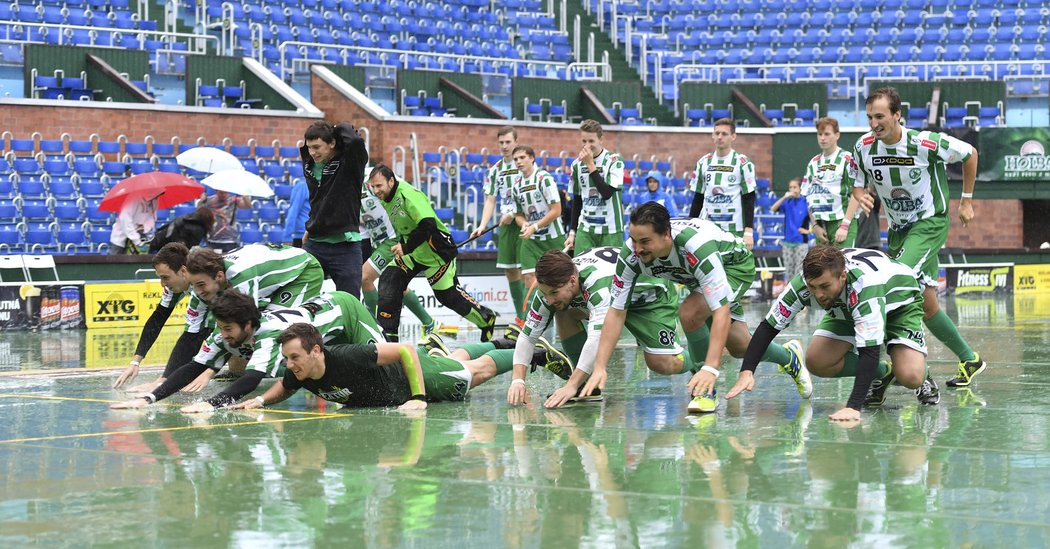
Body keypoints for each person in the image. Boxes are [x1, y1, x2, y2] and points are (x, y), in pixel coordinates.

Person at [582, 202, 811, 413]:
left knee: (690, 313)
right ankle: (789, 356)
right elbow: (616, 311)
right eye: (633, 240)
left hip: (734, 268)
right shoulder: (631, 254)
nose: (637, 249)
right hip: (697, 279)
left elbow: (721, 310)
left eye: (645, 242)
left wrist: (711, 369)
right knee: (740, 347)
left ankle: (706, 391)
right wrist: (600, 366)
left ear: (666, 235)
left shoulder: (696, 247)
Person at [850, 86, 986, 388]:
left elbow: (970, 153)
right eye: (870, 117)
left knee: (895, 284)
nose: (874, 123)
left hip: (928, 224)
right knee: (927, 305)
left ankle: (912, 374)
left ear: (898, 115)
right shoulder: (863, 146)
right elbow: (857, 182)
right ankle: (970, 358)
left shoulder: (924, 142)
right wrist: (861, 197)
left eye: (880, 116)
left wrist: (966, 200)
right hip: (898, 231)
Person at [727, 245, 939, 422]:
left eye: (824, 286)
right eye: (813, 287)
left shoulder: (864, 286)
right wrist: (747, 370)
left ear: (843, 276)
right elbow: (769, 326)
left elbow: (870, 350)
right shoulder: (805, 284)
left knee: (911, 376)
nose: (818, 295)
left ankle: (923, 371)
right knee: (817, 361)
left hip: (898, 305)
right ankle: (884, 374)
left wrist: (853, 407)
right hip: (845, 303)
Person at [109, 289, 384, 412]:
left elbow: (252, 379)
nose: (223, 334)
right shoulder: (227, 332)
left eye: (228, 328)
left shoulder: (268, 332)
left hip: (345, 310)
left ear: (249, 325)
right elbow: (193, 367)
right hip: (314, 328)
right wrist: (148, 398)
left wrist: (210, 404)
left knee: (382, 360)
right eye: (221, 327)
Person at [231, 322, 569, 411]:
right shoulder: (300, 372)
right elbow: (284, 387)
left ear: (316, 351)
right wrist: (259, 401)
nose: (290, 366)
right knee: (454, 361)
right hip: (413, 372)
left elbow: (405, 349)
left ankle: (534, 352)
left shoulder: (348, 355)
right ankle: (501, 341)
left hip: (413, 378)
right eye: (288, 359)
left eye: (295, 357)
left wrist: (419, 396)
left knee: (472, 373)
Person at [505, 248, 688, 409]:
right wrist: (518, 380)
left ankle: (697, 359)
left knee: (661, 363)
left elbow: (597, 338)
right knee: (562, 310)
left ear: (572, 280)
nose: (549, 299)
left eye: (554, 292)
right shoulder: (550, 289)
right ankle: (587, 386)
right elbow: (528, 336)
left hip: (648, 300)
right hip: (614, 300)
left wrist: (570, 385)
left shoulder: (599, 285)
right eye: (545, 293)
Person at [368, 164, 497, 342]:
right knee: (390, 279)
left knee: (448, 297)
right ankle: (388, 338)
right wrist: (404, 245)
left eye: (379, 186)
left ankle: (485, 318)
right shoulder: (386, 197)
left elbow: (428, 224)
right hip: (414, 253)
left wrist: (405, 247)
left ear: (391, 181)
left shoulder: (408, 195)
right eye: (372, 187)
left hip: (436, 253)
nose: (375, 191)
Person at [112, 242, 210, 391]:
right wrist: (135, 362)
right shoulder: (176, 286)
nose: (162, 284)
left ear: (183, 271)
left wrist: (162, 382)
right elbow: (157, 319)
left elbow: (192, 337)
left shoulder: (206, 285)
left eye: (165, 277)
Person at [359, 171, 437, 335]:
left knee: (364, 277)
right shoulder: (343, 188)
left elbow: (406, 193)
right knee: (398, 287)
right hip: (374, 241)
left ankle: (372, 327)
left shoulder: (373, 178)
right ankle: (429, 322)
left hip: (392, 239)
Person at [300, 121, 369, 297]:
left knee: (350, 302)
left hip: (346, 247)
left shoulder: (350, 164)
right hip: (315, 244)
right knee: (299, 295)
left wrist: (335, 128)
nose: (312, 153)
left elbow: (354, 141)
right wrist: (312, 224)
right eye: (309, 147)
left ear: (332, 143)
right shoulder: (308, 163)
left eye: (317, 147)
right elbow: (318, 199)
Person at [470, 126, 527, 336]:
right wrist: (482, 225)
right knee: (511, 270)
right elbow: (490, 199)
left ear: (516, 141)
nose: (504, 146)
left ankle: (528, 317)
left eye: (508, 142)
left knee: (527, 272)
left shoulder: (524, 164)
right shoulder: (495, 170)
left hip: (525, 221)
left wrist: (514, 213)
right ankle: (521, 316)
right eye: (501, 143)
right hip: (505, 224)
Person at [689, 118, 756, 250]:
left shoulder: (742, 162)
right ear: (713, 135)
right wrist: (690, 226)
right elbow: (698, 198)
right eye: (717, 133)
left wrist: (748, 231)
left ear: (733, 137)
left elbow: (749, 198)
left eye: (724, 134)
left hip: (733, 228)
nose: (720, 137)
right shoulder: (703, 162)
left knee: (732, 269)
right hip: (707, 228)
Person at [510, 145, 566, 290]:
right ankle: (535, 312)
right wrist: (524, 224)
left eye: (522, 158)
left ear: (532, 158)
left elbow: (556, 210)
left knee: (559, 279)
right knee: (529, 277)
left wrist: (535, 226)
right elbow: (518, 215)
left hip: (553, 236)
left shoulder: (544, 179)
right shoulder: (516, 186)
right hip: (531, 239)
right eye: (515, 159)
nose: (518, 162)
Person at [565, 119, 625, 255]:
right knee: (581, 272)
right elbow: (577, 200)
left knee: (609, 274)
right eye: (584, 141)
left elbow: (607, 193)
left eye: (591, 141)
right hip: (585, 229)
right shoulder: (576, 165)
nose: (587, 145)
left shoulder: (614, 161)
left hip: (611, 229)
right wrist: (572, 232)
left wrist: (590, 165)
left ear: (601, 139)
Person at [802, 117, 862, 247]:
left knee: (843, 265)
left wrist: (845, 225)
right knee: (821, 267)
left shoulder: (847, 159)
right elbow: (808, 196)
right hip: (821, 225)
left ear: (837, 135)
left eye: (827, 134)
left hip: (841, 221)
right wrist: (815, 226)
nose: (822, 138)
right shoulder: (813, 163)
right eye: (819, 134)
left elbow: (857, 192)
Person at [769, 177, 810, 280]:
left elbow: (816, 220)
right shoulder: (787, 202)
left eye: (795, 187)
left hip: (801, 243)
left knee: (799, 273)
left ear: (800, 188)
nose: (792, 189)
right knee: (789, 273)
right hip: (787, 243)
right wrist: (784, 197)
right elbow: (773, 209)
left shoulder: (806, 201)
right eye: (790, 187)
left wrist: (809, 231)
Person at [148, 206, 215, 253]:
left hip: (161, 246)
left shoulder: (184, 218)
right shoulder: (199, 229)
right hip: (173, 252)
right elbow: (190, 247)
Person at [281, 178, 310, 247]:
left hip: (306, 234)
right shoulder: (303, 186)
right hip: (304, 235)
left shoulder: (303, 186)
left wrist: (287, 237)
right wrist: (288, 237)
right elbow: (294, 211)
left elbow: (293, 211)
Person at [853, 185, 883, 250]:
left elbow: (876, 201)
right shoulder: (851, 210)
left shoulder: (871, 205)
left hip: (872, 244)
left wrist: (870, 192)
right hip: (857, 245)